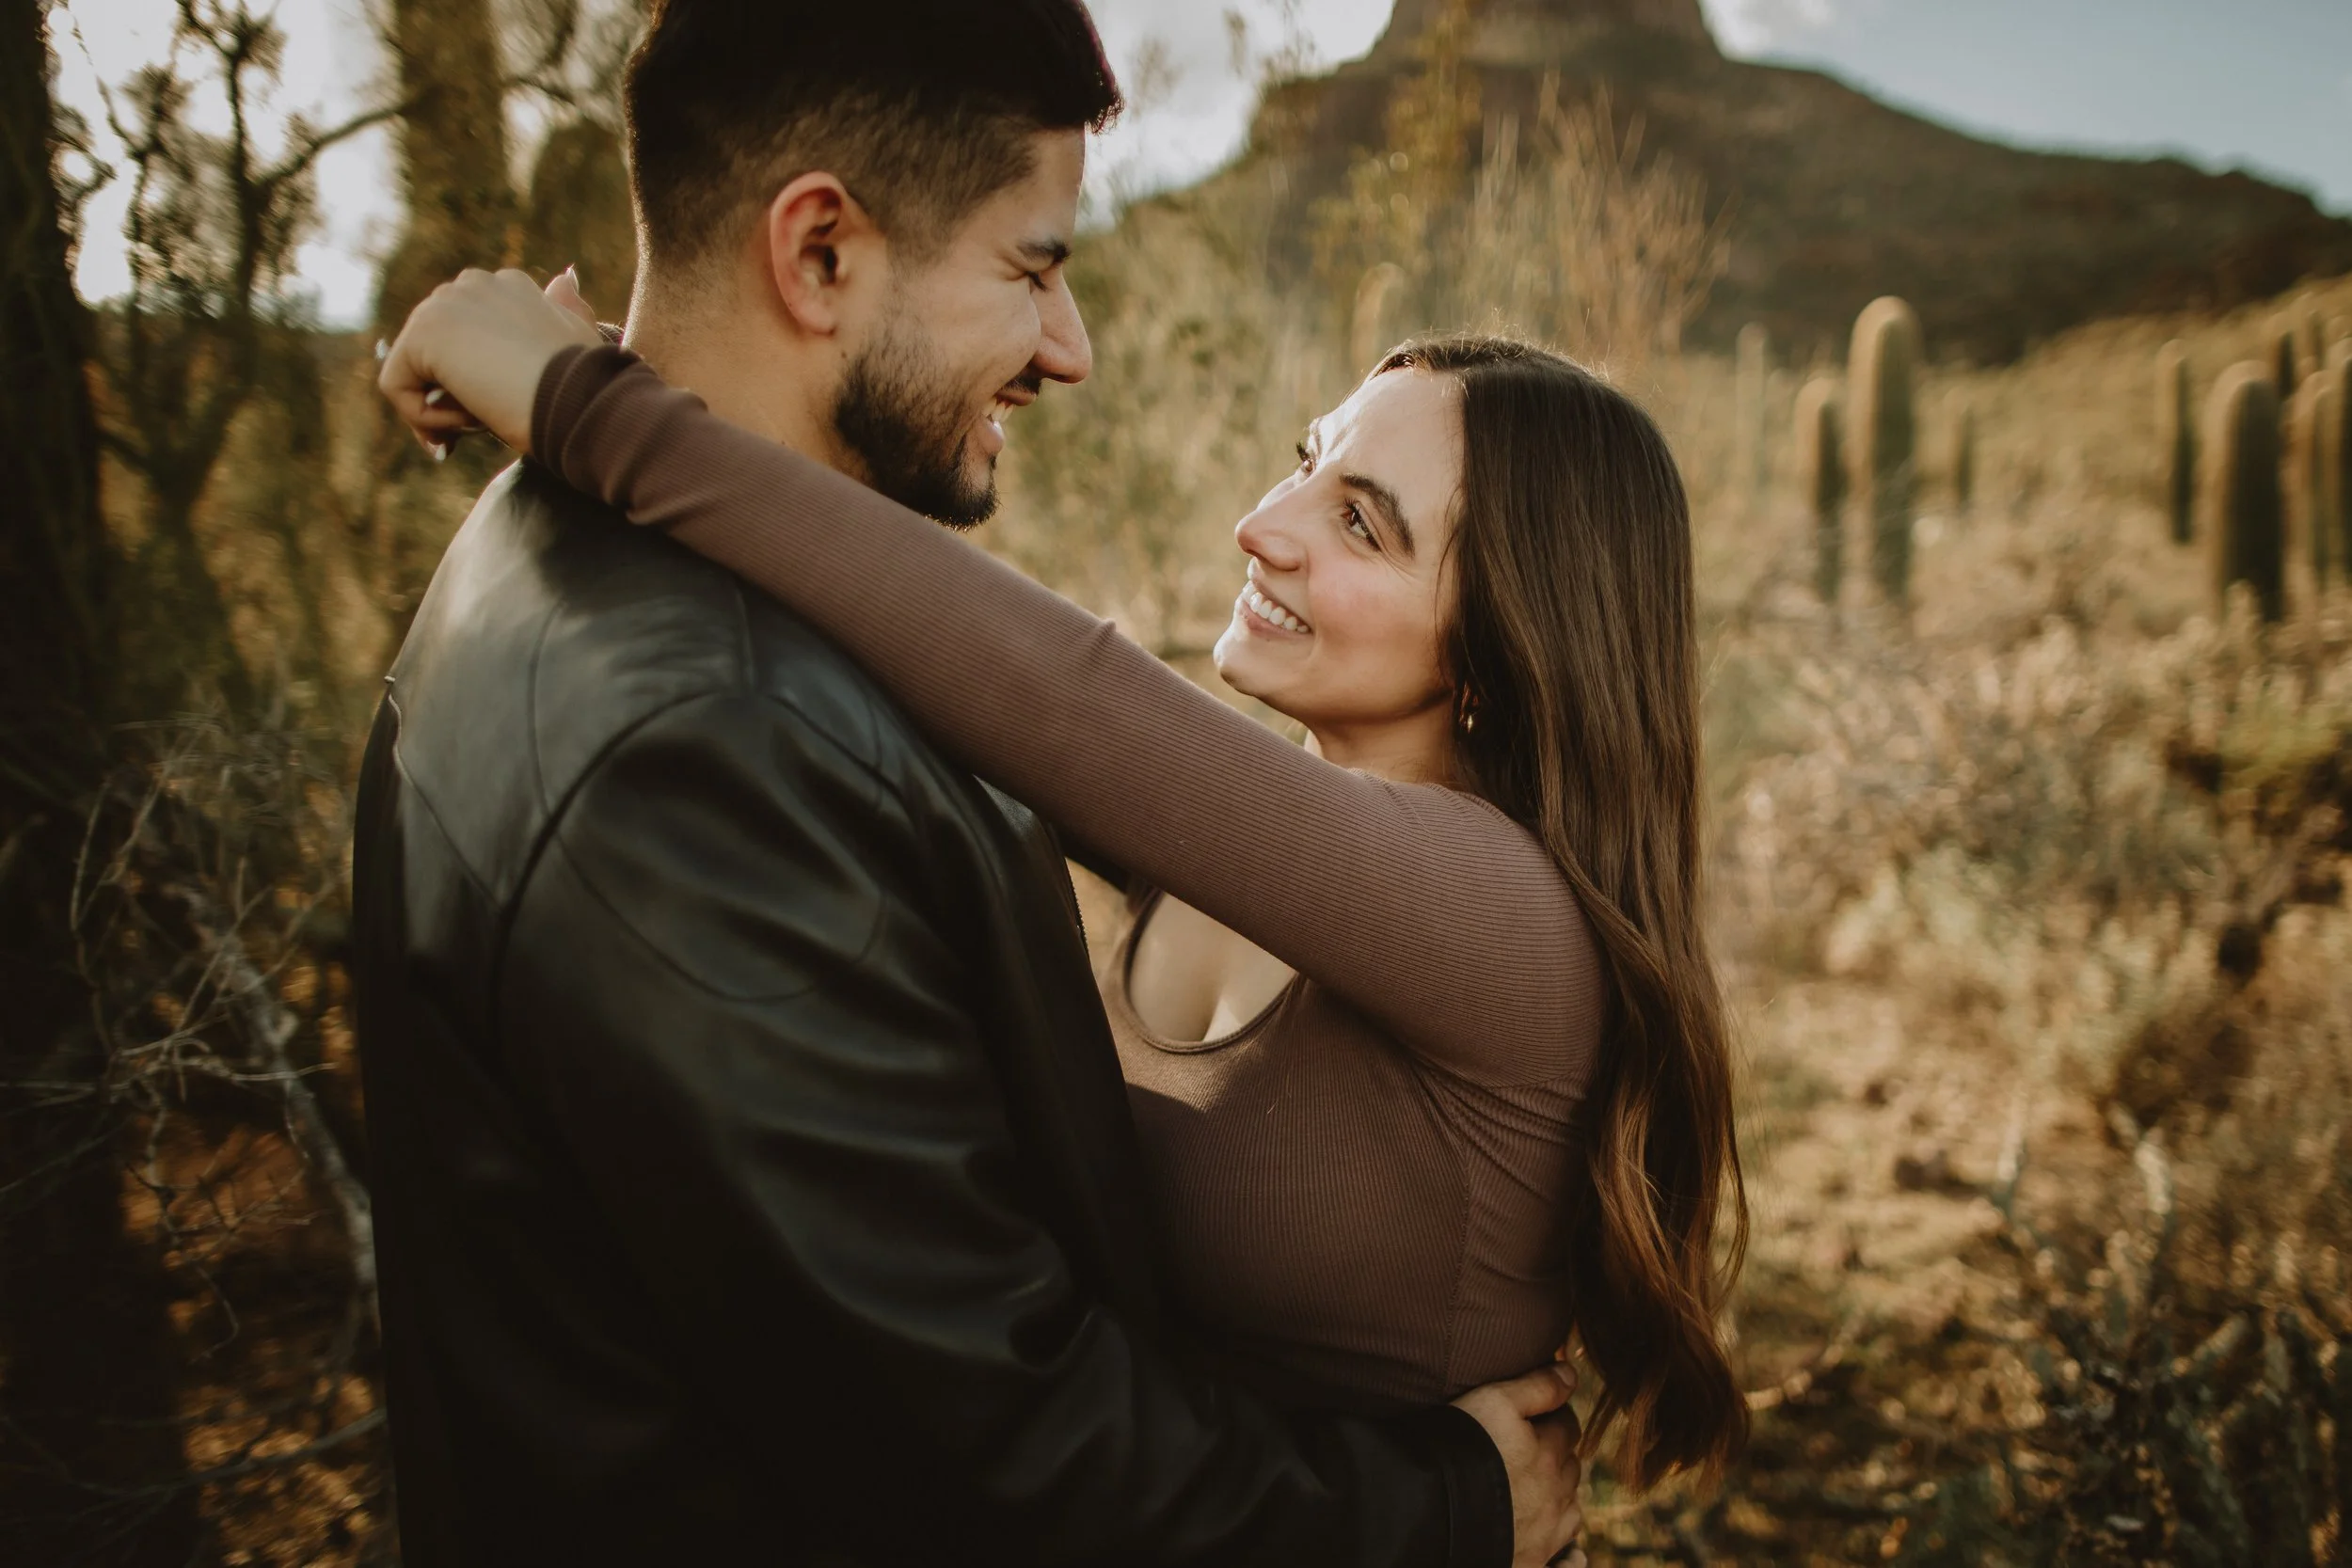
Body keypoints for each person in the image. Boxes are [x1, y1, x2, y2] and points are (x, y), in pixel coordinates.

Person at [350, 1, 1592, 1564]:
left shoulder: (557, 570)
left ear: (1499, 646)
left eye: (1365, 521)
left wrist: (593, 402)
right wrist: (1443, 1504)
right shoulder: (709, 742)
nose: (1071, 347)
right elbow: (995, 1468)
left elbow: (1052, 697)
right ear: (816, 256)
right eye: (1035, 266)